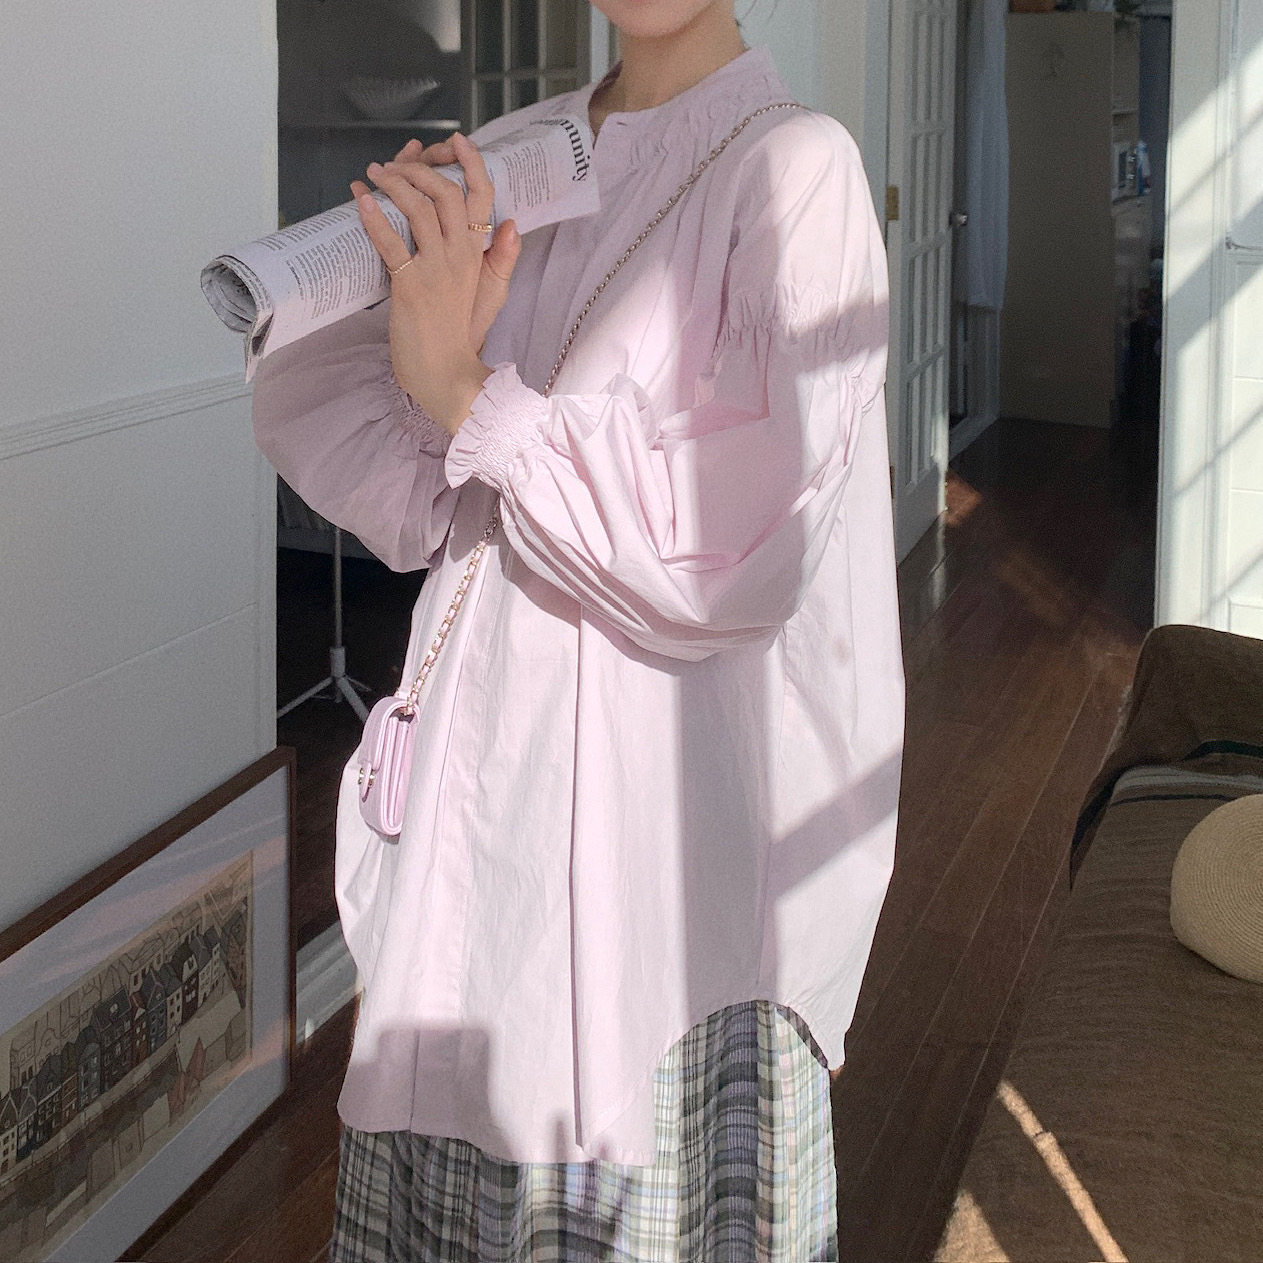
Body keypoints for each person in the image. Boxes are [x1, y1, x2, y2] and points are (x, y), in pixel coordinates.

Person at [251, 1, 903, 1258]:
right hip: (479, 784)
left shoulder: (796, 167)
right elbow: (415, 486)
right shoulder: (522, 155)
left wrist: (464, 388)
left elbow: (729, 550)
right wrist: (396, 294)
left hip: (651, 852)